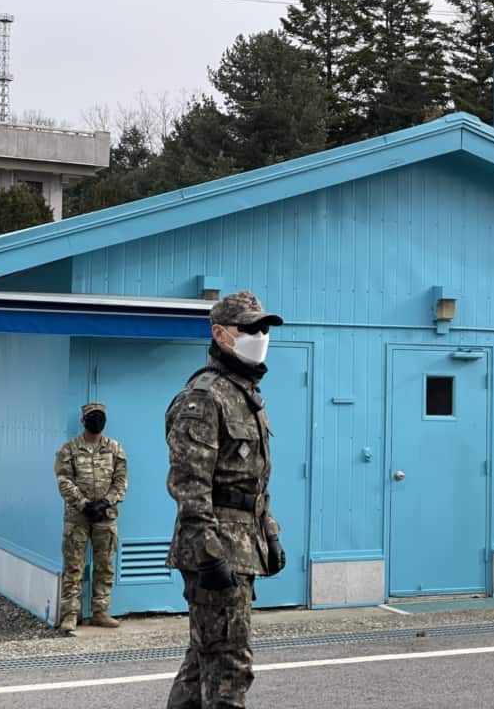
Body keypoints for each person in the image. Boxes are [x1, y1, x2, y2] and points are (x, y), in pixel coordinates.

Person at [165, 290, 287, 709]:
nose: (261, 334)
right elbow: (189, 482)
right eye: (250, 327)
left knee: (204, 660)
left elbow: (253, 480)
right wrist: (209, 553)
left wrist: (268, 533)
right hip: (216, 548)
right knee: (230, 666)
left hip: (241, 544)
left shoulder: (245, 394)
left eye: (264, 327)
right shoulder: (205, 396)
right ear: (220, 334)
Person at [54, 402, 127, 634]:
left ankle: (100, 611)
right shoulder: (69, 449)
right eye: (92, 417)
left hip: (105, 515)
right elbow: (64, 480)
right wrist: (84, 504)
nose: (97, 420)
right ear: (83, 421)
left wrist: (106, 502)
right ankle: (70, 614)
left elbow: (121, 481)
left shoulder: (114, 448)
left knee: (104, 565)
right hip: (78, 517)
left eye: (100, 416)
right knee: (74, 566)